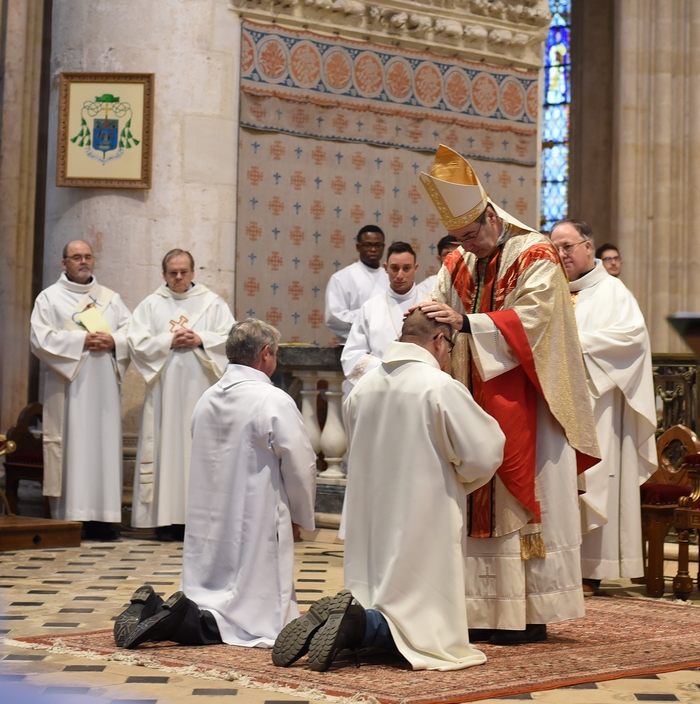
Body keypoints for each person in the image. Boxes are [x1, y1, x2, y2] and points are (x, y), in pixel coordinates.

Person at [416, 145, 600, 645]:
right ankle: (476, 610)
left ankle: (527, 611)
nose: (465, 246)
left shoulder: (535, 255)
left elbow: (537, 321)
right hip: (469, 398)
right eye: (458, 238)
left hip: (526, 402)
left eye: (472, 235)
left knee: (523, 499)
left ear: (492, 217)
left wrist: (469, 323)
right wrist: (425, 319)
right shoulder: (458, 261)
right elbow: (436, 304)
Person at [272, 310, 505, 671]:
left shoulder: (364, 386)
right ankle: (359, 627)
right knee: (421, 612)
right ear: (440, 340)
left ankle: (355, 618)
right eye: (449, 347)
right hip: (424, 512)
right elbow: (485, 451)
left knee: (374, 587)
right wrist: (463, 476)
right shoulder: (438, 386)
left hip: (371, 511)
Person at [116, 319, 317, 649]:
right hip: (255, 516)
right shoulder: (273, 400)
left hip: (208, 520)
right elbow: (300, 465)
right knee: (251, 618)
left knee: (208, 591)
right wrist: (300, 514)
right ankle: (170, 620)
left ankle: (157, 610)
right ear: (265, 353)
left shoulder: (207, 398)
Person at [551, 220, 656, 595]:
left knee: (595, 481)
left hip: (599, 408)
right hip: (554, 408)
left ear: (588, 248)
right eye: (555, 247)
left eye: (567, 246)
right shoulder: (548, 292)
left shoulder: (614, 292)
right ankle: (558, 566)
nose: (560, 254)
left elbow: (632, 339)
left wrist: (572, 342)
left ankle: (592, 569)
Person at [127, 249, 235, 541]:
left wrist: (201, 339)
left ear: (193, 272)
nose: (178, 278)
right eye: (172, 273)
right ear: (163, 274)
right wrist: (168, 341)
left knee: (198, 449)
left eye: (183, 272)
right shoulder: (150, 305)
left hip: (201, 393)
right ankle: (166, 521)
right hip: (164, 396)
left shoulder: (212, 304)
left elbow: (230, 338)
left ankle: (199, 521)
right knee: (166, 449)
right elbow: (136, 343)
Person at [29, 240, 131, 541]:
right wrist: (80, 342)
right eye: (76, 257)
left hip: (104, 391)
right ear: (64, 263)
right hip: (67, 388)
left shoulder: (111, 299)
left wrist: (114, 343)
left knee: (102, 447)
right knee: (72, 448)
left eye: (87, 256)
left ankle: (103, 520)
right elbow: (39, 338)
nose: (83, 261)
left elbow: (131, 333)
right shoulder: (49, 298)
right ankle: (71, 520)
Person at [340, 242, 430, 386]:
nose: (400, 275)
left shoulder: (430, 304)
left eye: (406, 268)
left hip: (421, 385)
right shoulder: (370, 307)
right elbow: (352, 355)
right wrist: (385, 368)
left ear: (415, 268)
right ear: (386, 268)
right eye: (394, 268)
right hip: (381, 385)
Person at [324, 225, 389, 343]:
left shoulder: (390, 277)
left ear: (383, 247)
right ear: (358, 247)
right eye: (368, 245)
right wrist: (368, 316)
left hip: (387, 344)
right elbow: (334, 317)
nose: (373, 249)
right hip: (354, 346)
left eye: (378, 245)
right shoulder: (341, 278)